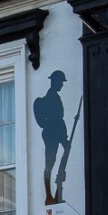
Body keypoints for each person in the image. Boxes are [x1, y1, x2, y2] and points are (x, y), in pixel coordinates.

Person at [32, 70, 70, 205]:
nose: (61, 85)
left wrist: (64, 137)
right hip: (52, 132)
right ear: (55, 82)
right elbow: (55, 119)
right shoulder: (50, 98)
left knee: (60, 160)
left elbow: (60, 119)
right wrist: (62, 137)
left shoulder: (55, 96)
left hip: (58, 131)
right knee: (50, 162)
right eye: (60, 82)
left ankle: (58, 193)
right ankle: (49, 196)